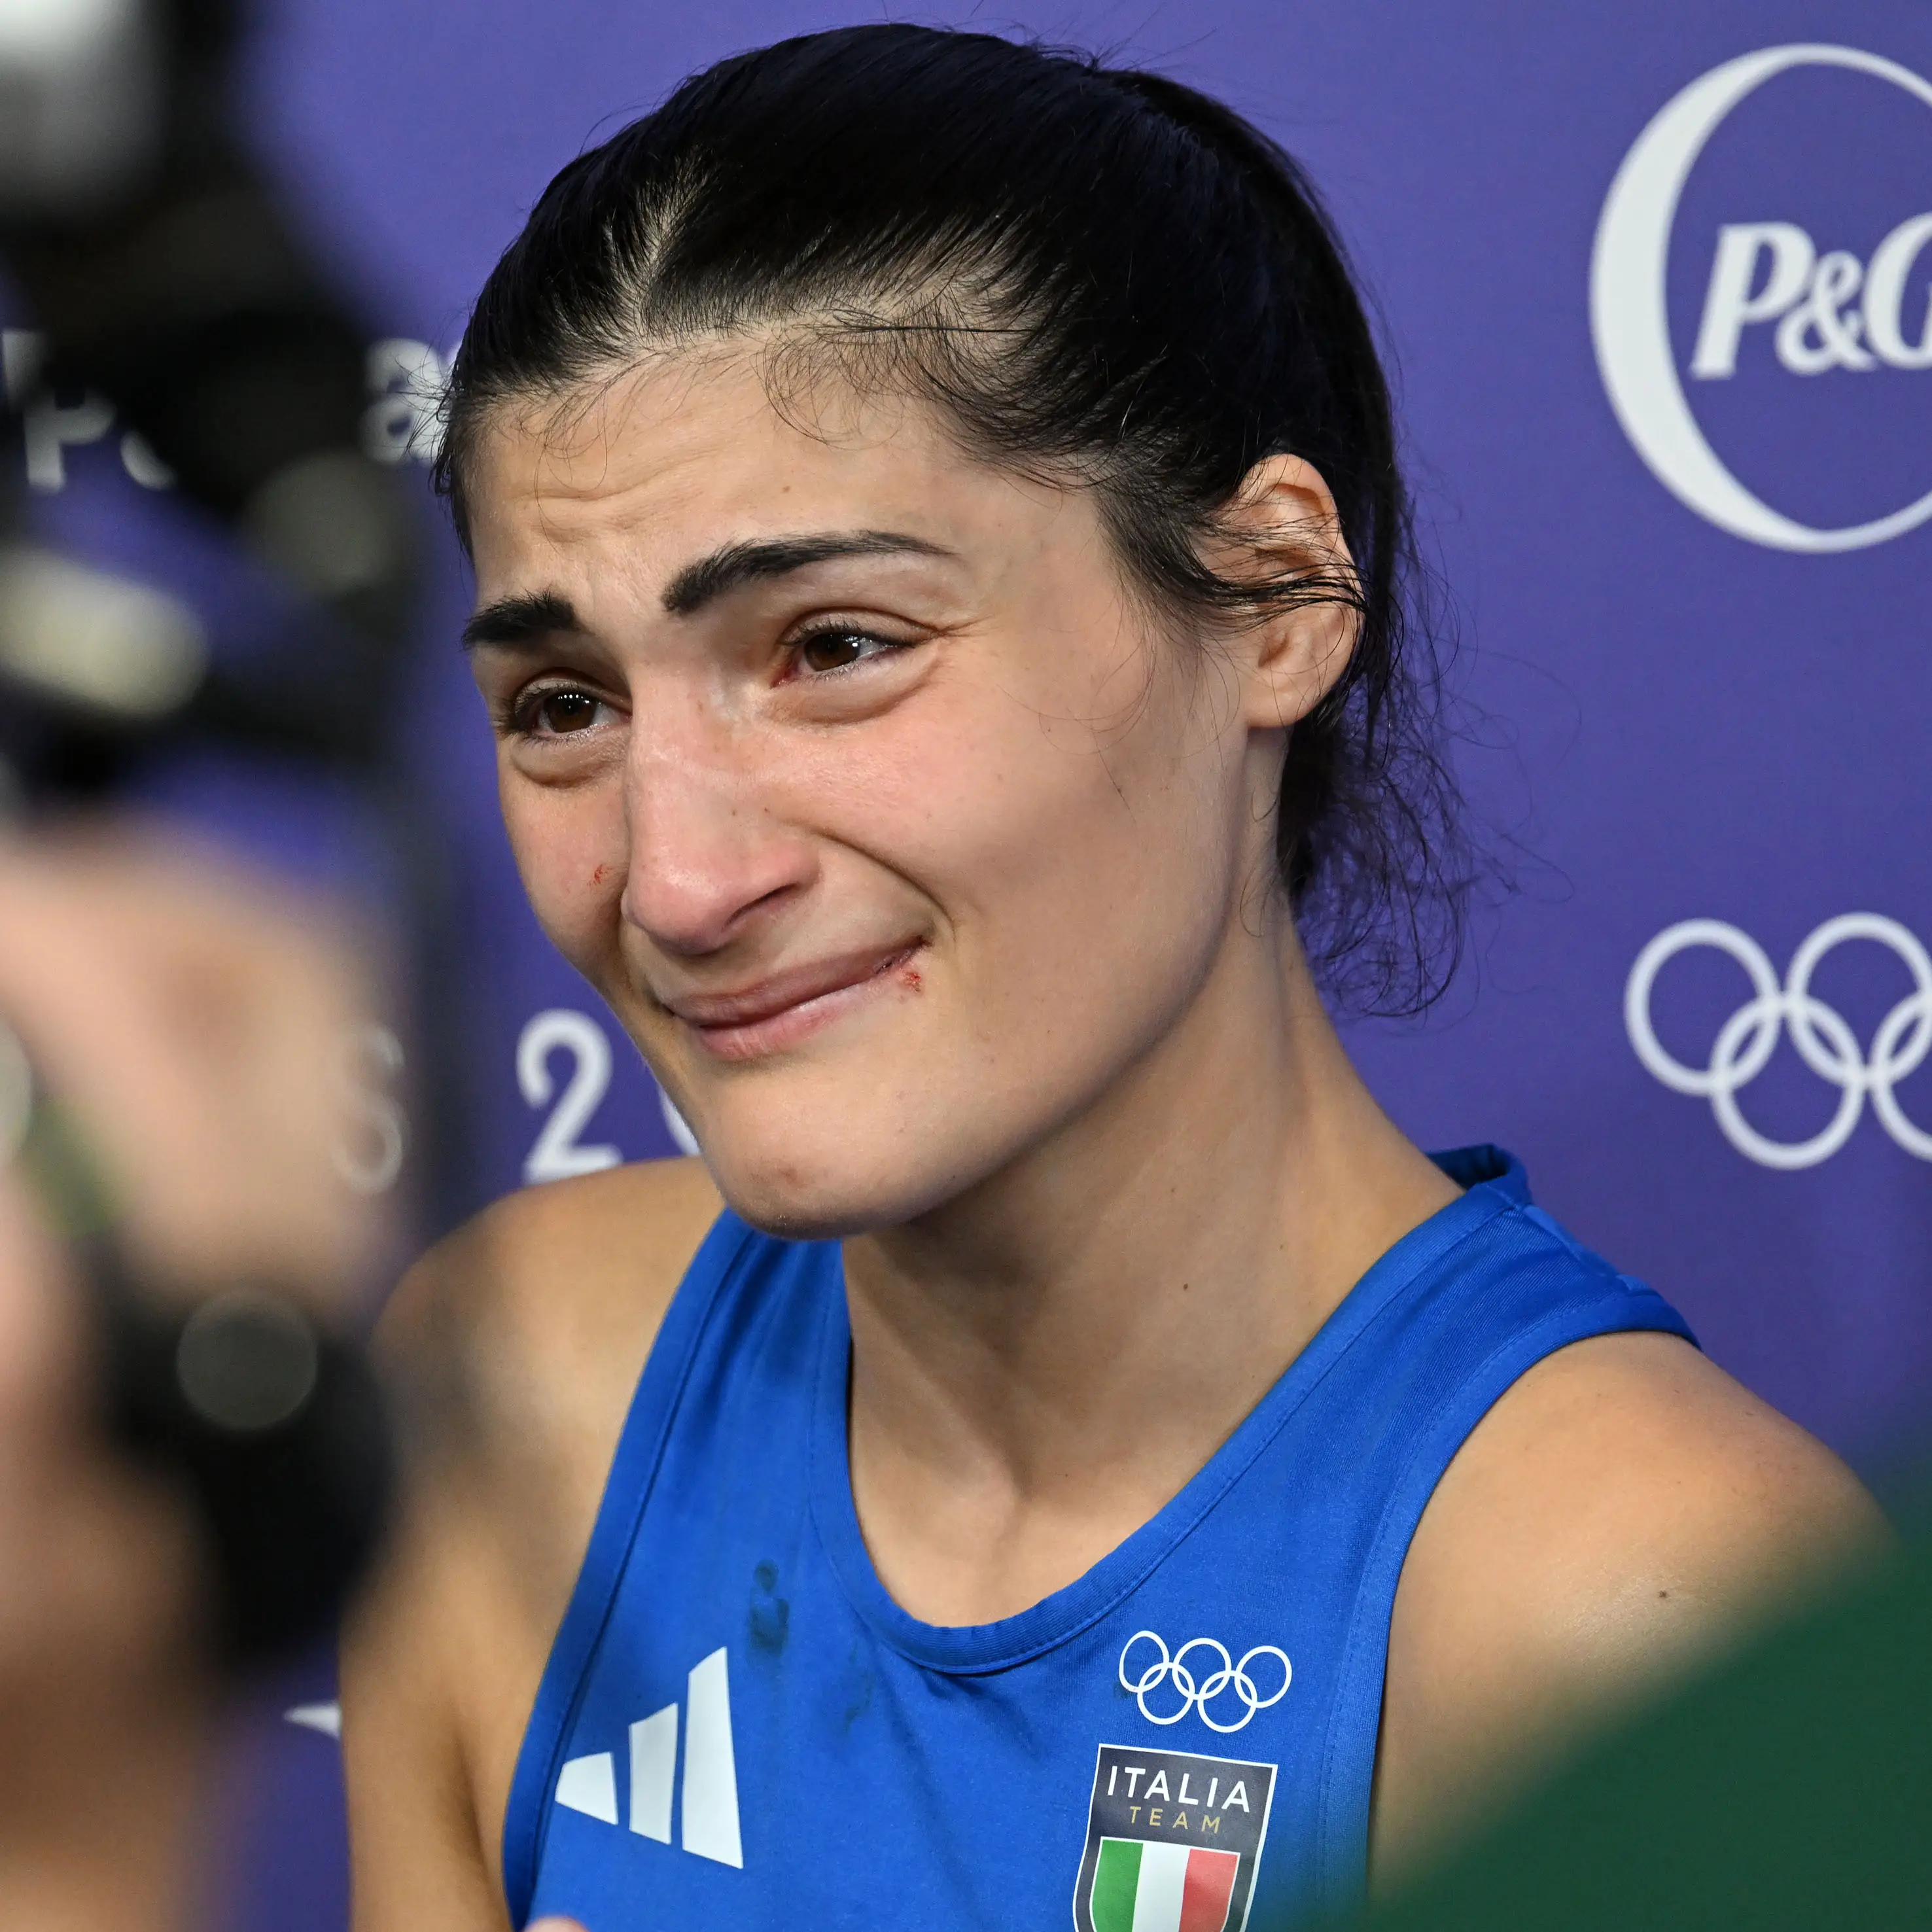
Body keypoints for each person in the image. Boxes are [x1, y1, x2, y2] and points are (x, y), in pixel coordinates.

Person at [340, 26, 1886, 1932]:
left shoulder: (1648, 1620)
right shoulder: (511, 1395)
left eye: (835, 645)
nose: (677, 878)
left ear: (1278, 598)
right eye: (564, 706)